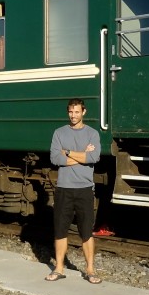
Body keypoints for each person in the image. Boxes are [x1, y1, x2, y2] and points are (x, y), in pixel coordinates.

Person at [45, 98, 103, 283]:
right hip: (64, 188)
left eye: (77, 112)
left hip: (85, 188)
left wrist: (68, 152)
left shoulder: (92, 133)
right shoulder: (59, 133)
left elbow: (93, 157)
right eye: (71, 112)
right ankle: (59, 268)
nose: (73, 115)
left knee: (86, 231)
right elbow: (55, 159)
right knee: (60, 230)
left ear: (83, 112)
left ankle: (90, 270)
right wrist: (81, 155)